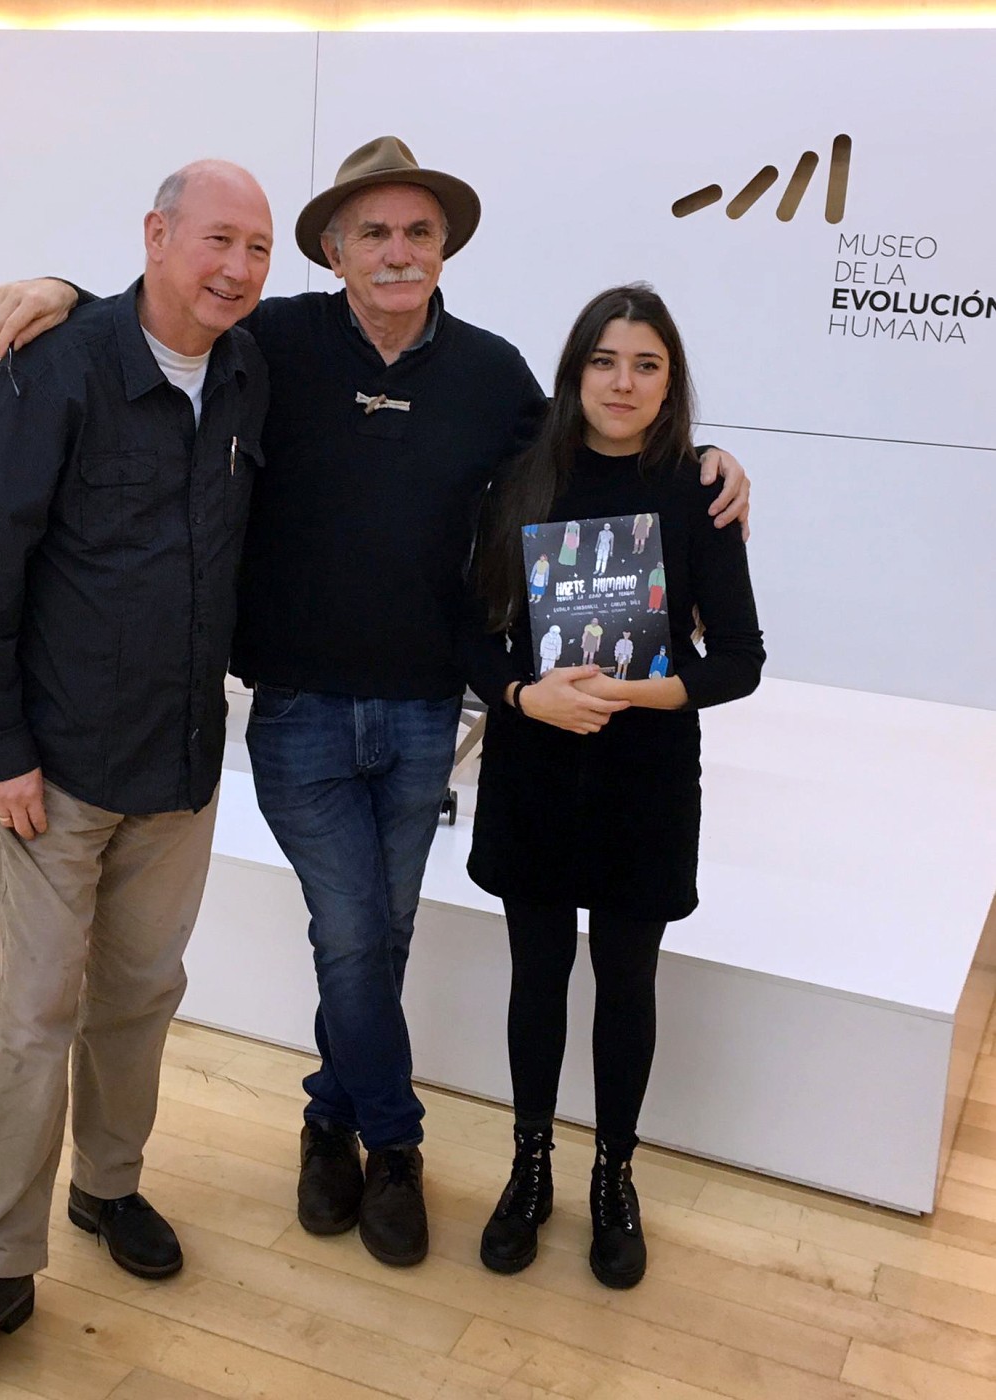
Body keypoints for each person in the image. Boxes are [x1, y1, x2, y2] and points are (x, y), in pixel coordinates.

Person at [0, 137, 753, 1270]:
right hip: (298, 708)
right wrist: (63, 290)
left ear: (444, 249)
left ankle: (330, 1121)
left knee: (380, 936)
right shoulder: (269, 342)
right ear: (334, 250)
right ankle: (396, 1141)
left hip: (424, 714)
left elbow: (599, 437)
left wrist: (711, 456)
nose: (399, 252)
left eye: (418, 232)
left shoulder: (491, 374)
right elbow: (167, 313)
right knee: (349, 931)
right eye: (375, 233)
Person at [0, 161, 271, 1398]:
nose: (238, 267)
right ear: (156, 235)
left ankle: (107, 1185)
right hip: (54, 770)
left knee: (143, 992)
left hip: (179, 763)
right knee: (34, 1014)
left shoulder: (250, 370)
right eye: (217, 240)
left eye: (259, 247)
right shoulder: (53, 367)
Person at [466, 284, 764, 1289]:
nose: (623, 382)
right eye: (604, 360)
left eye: (646, 364)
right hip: (535, 764)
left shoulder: (697, 492)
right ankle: (530, 1168)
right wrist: (522, 695)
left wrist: (641, 693)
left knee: (627, 981)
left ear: (670, 382)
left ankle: (613, 1178)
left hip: (644, 775)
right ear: (575, 371)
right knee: (537, 974)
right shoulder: (520, 478)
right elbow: (471, 634)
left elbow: (741, 660)